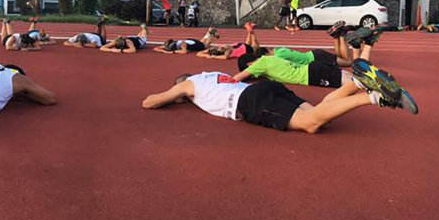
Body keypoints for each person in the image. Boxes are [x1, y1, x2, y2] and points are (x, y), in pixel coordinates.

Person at [141, 58, 417, 134]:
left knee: (311, 124)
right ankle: (356, 83)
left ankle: (376, 98)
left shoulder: (189, 84)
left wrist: (175, 95)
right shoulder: (211, 74)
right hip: (263, 88)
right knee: (320, 115)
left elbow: (149, 102)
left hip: (250, 102)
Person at [233, 26, 384, 88]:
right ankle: (362, 45)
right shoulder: (271, 58)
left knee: (358, 82)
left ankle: (366, 44)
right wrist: (251, 32)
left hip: (313, 73)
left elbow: (236, 78)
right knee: (355, 76)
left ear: (250, 64)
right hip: (313, 66)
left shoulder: (259, 65)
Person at [262, 21, 356, 67]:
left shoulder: (278, 56)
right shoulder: (278, 49)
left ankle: (342, 34)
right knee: (340, 57)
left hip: (317, 59)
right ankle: (336, 36)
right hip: (314, 54)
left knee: (348, 62)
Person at [154, 27, 219, 54]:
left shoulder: (181, 44)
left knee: (205, 46)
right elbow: (155, 48)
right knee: (201, 42)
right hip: (190, 41)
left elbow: (184, 51)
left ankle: (211, 34)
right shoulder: (167, 45)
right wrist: (163, 51)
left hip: (193, 44)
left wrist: (172, 52)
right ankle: (208, 33)